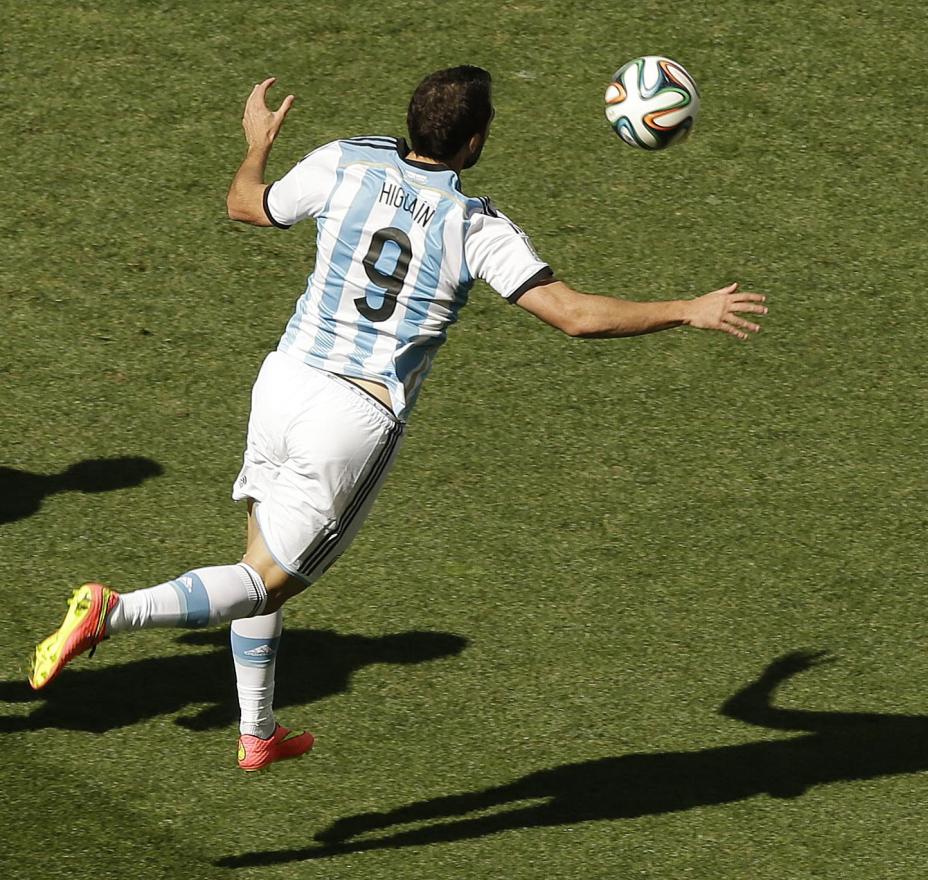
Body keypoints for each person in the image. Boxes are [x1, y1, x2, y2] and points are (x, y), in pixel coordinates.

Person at [28, 66, 768, 771]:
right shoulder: (475, 225)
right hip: (354, 415)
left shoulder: (344, 160)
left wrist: (257, 145)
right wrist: (688, 309)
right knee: (267, 581)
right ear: (473, 141)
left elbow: (246, 205)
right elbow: (573, 316)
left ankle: (256, 730)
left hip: (284, 380)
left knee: (258, 547)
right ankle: (113, 611)